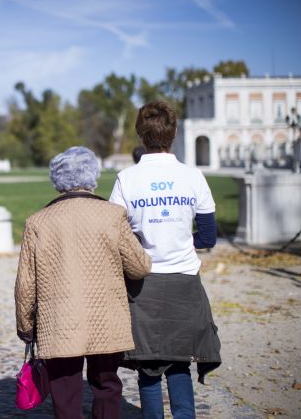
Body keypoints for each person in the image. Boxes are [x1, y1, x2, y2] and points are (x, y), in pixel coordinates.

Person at [15, 146, 152, 419]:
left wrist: (25, 326)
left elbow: (25, 284)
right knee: (107, 386)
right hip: (106, 317)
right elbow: (140, 267)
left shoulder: (38, 222)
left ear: (57, 180)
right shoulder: (112, 215)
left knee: (65, 391)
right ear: (93, 177)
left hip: (59, 321)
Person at [109, 101, 221, 419]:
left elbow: (115, 232)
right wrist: (184, 242)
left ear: (141, 135)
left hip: (143, 280)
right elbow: (209, 237)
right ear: (173, 134)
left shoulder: (127, 178)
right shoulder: (193, 176)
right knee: (179, 361)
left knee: (148, 365)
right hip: (184, 280)